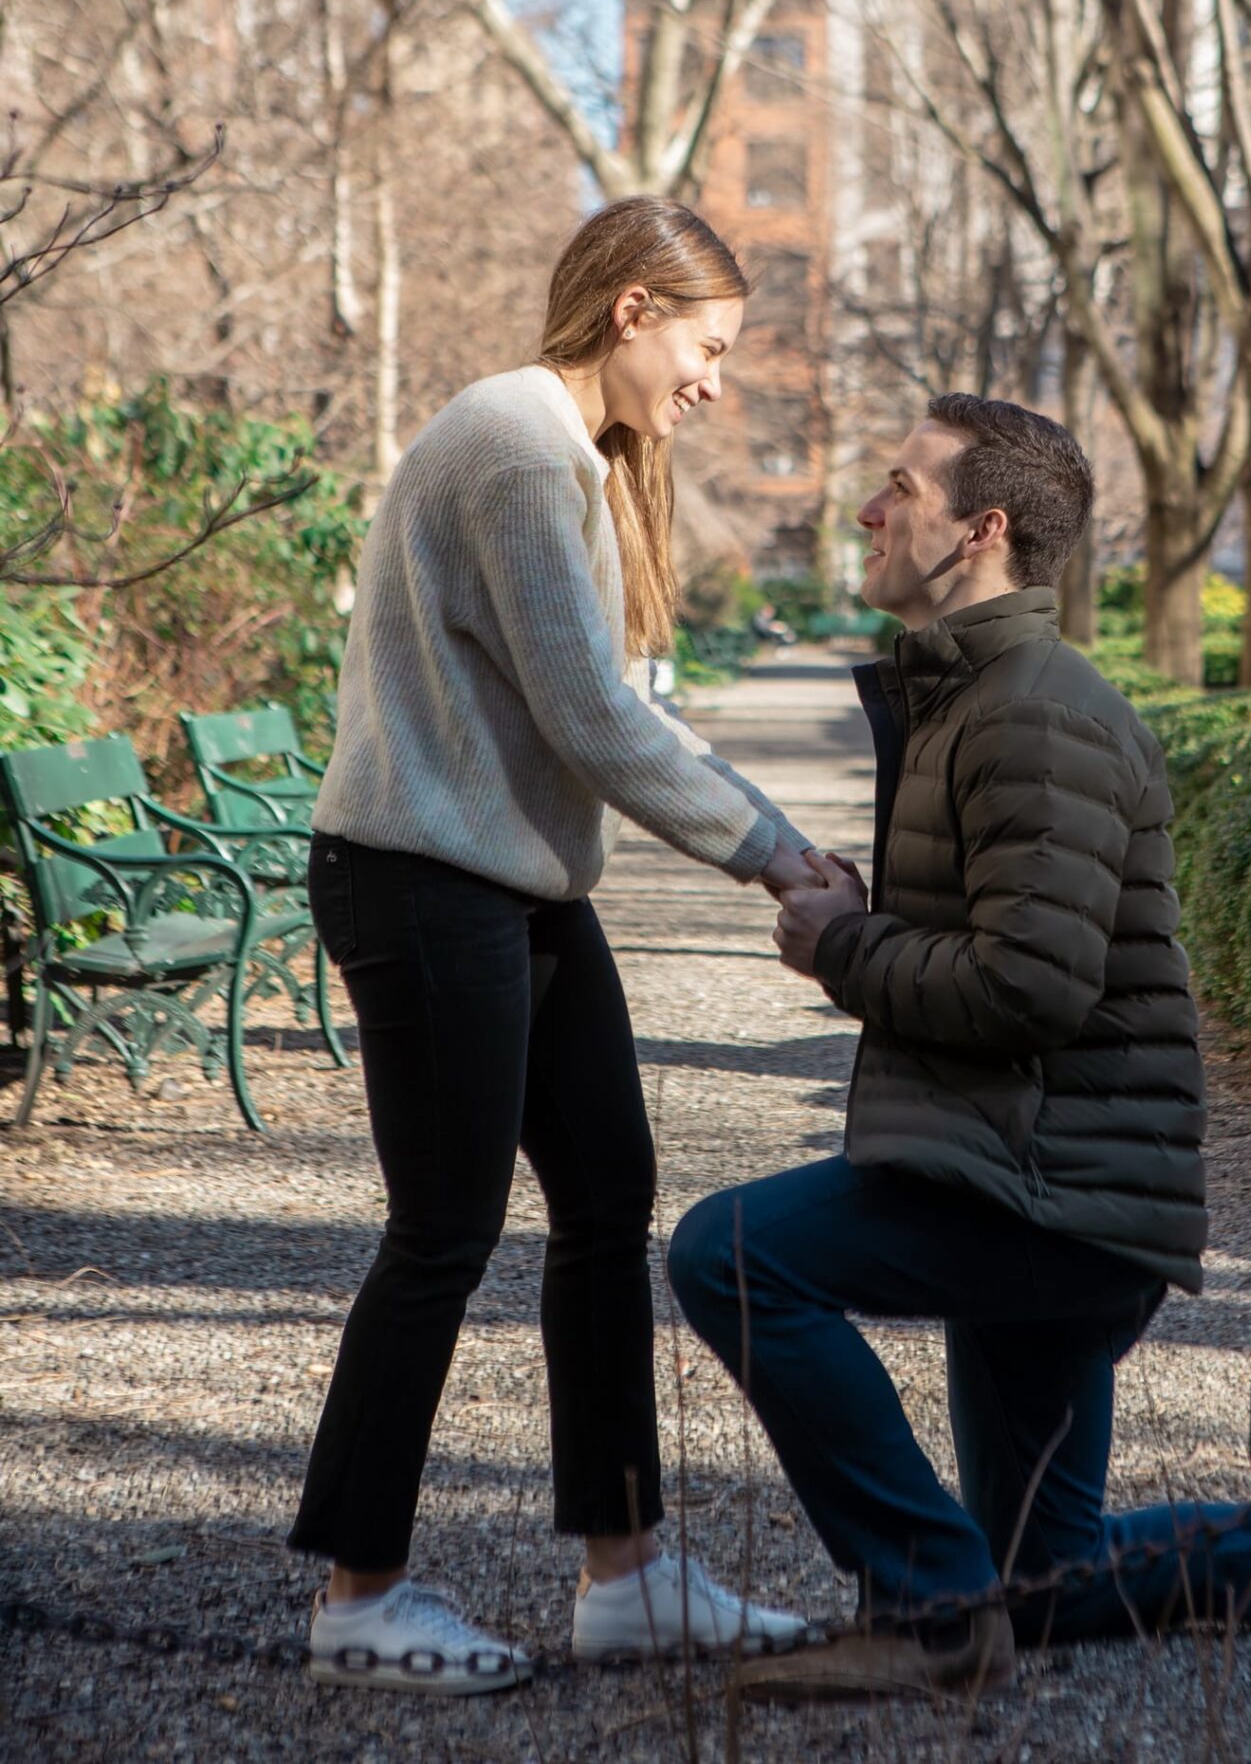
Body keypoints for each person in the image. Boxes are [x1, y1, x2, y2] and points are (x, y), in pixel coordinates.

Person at [668, 395, 1251, 1703]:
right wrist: (876, 922)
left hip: (1052, 1202)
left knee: (730, 1255)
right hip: (1028, 1173)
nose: (868, 512)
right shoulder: (977, 696)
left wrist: (845, 947)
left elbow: (1030, 987)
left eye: (900, 490)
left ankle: (929, 1616)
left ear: (979, 531)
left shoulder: (1032, 715)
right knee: (1048, 1579)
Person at [292, 197, 817, 1695]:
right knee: (443, 1233)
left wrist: (772, 833)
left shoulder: (571, 453)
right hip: (426, 879)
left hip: (511, 886)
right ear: (632, 310)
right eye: (707, 347)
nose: (714, 382)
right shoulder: (520, 445)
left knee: (607, 1195)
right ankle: (356, 1597)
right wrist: (775, 856)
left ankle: (628, 1572)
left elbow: (606, 706)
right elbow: (596, 722)